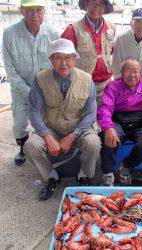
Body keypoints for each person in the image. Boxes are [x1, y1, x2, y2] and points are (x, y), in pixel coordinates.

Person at [25, 39, 101, 200]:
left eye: (68, 57)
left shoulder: (87, 79)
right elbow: (33, 111)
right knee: (31, 145)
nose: (64, 62)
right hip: (51, 126)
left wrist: (73, 135)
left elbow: (91, 113)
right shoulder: (40, 79)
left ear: (75, 59)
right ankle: (51, 177)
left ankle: (84, 175)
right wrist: (47, 136)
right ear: (51, 59)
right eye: (58, 57)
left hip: (79, 126)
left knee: (93, 143)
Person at [2, 0, 59, 166]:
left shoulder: (53, 33)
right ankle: (21, 147)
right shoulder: (9, 34)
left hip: (46, 90)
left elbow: (58, 63)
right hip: (21, 91)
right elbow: (10, 69)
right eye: (29, 10)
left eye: (38, 10)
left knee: (49, 121)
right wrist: (29, 92)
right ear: (21, 10)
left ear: (44, 11)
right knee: (20, 122)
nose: (35, 15)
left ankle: (46, 146)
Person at [61, 0, 115, 105]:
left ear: (104, 7)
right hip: (82, 84)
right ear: (86, 5)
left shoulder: (112, 27)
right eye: (92, 3)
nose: (96, 8)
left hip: (107, 84)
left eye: (100, 4)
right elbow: (62, 60)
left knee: (104, 117)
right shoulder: (72, 29)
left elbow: (111, 52)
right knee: (83, 118)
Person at [112, 7, 142, 84]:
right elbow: (116, 69)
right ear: (131, 24)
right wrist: (121, 88)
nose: (141, 25)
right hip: (123, 84)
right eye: (137, 21)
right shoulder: (120, 39)